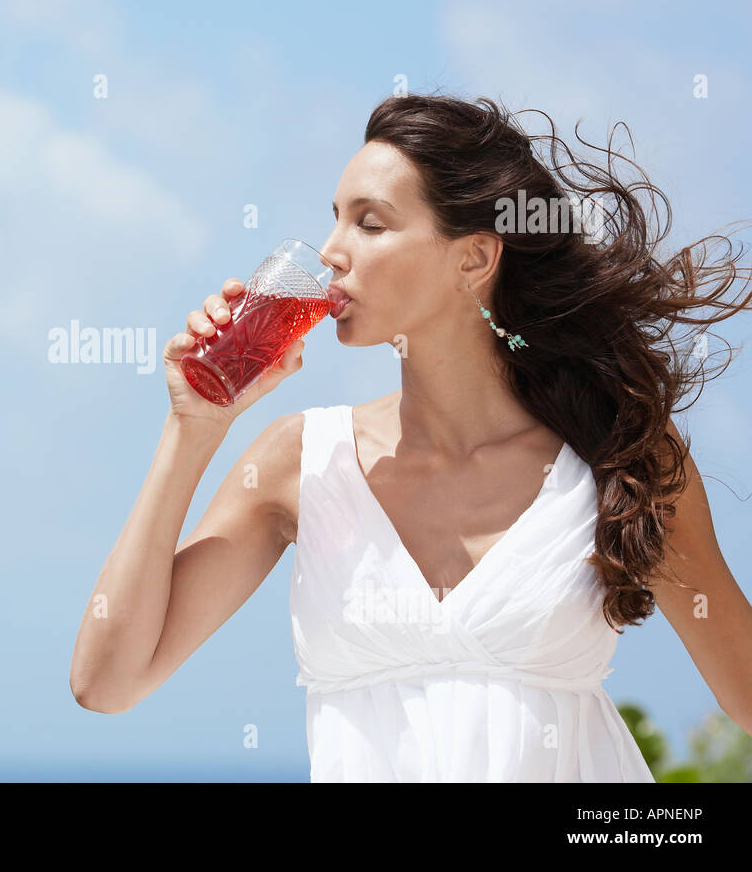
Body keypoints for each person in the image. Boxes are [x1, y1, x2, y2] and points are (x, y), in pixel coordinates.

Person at [69, 93, 752, 781]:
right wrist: (193, 427)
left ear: (474, 257)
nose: (332, 252)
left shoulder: (620, 457)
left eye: (370, 224)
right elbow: (107, 682)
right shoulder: (299, 460)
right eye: (335, 221)